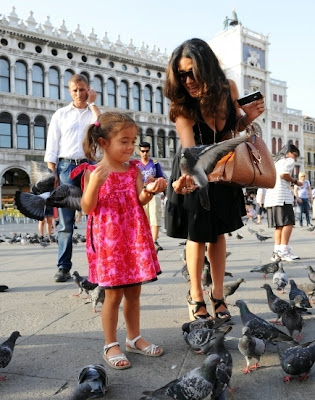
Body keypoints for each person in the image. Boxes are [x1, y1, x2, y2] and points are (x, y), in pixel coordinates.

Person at [164, 38, 265, 320]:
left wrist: (249, 117)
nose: (187, 80)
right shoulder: (182, 104)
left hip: (223, 169)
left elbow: (231, 133)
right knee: (196, 236)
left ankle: (218, 295)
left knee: (218, 235)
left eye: (191, 72)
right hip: (194, 169)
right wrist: (187, 177)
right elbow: (189, 148)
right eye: (181, 74)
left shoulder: (228, 89)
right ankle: (196, 295)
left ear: (206, 68)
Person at [78, 111, 166, 370]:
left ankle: (134, 337)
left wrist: (150, 191)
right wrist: (94, 184)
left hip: (133, 236)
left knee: (134, 292)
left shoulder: (135, 169)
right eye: (124, 141)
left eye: (133, 141)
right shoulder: (92, 171)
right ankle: (110, 342)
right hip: (108, 241)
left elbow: (138, 199)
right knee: (113, 295)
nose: (131, 147)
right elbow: (87, 207)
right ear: (104, 142)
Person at [44, 74, 101, 282]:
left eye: (82, 89)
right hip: (66, 167)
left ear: (89, 90)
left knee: (95, 219)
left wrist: (94, 105)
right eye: (75, 90)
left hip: (89, 166)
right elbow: (53, 142)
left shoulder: (93, 113)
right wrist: (53, 170)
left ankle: (97, 266)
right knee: (66, 223)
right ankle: (63, 267)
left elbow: (102, 128)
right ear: (69, 91)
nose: (79, 93)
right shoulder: (60, 114)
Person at [264, 144, 302, 262]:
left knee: (279, 226)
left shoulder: (275, 161)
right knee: (288, 223)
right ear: (288, 152)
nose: (295, 159)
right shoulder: (288, 160)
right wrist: (295, 181)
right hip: (282, 197)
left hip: (271, 197)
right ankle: (284, 251)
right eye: (295, 155)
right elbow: (284, 175)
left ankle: (277, 252)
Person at [136, 142, 165, 251]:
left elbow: (162, 178)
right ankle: (146, 240)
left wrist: (156, 180)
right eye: (143, 151)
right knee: (144, 218)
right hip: (141, 194)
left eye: (147, 151)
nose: (145, 153)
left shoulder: (155, 163)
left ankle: (154, 241)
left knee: (155, 216)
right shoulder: (136, 165)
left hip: (154, 193)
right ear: (139, 151)